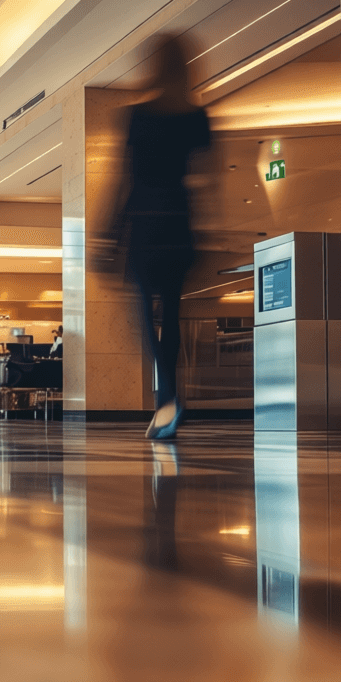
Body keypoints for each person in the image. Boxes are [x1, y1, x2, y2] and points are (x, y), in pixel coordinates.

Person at [116, 34, 212, 440]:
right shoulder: (196, 116)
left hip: (143, 221)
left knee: (141, 314)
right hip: (178, 219)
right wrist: (207, 230)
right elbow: (208, 181)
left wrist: (108, 232)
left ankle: (167, 394)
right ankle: (170, 396)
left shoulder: (138, 115)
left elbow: (124, 179)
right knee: (171, 314)